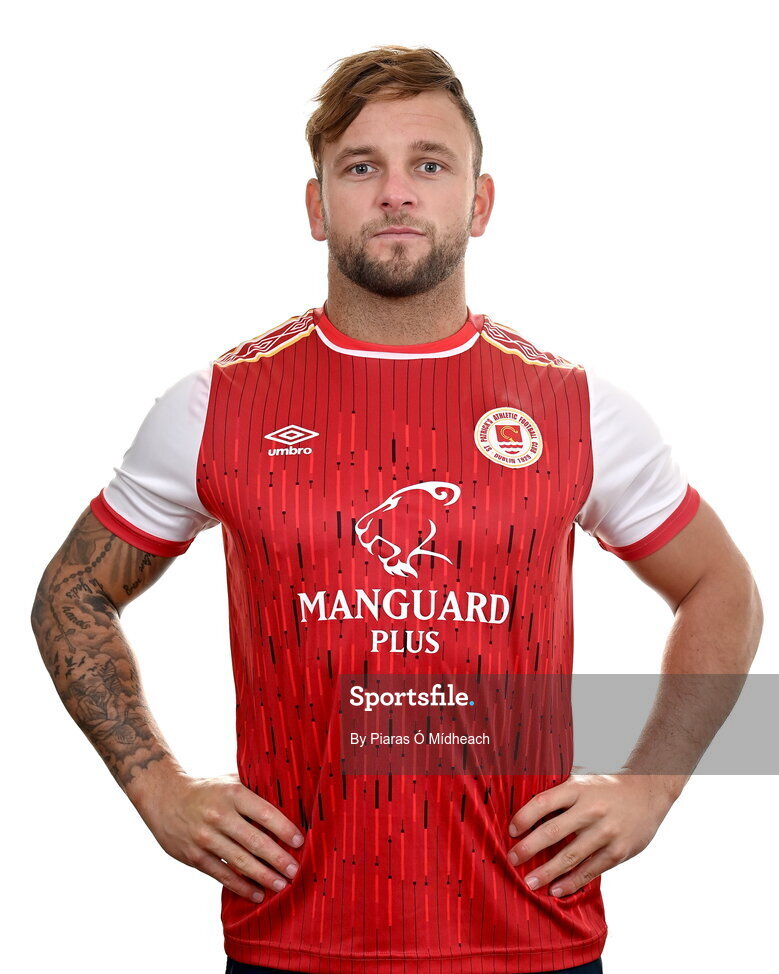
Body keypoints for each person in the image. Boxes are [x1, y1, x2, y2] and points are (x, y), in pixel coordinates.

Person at [31, 45, 762, 974]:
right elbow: (70, 595)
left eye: (429, 163)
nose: (396, 193)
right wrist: (158, 789)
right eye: (360, 166)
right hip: (292, 935)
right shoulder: (216, 405)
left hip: (533, 934)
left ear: (479, 201)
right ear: (316, 204)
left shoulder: (575, 409)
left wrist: (649, 786)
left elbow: (721, 588)